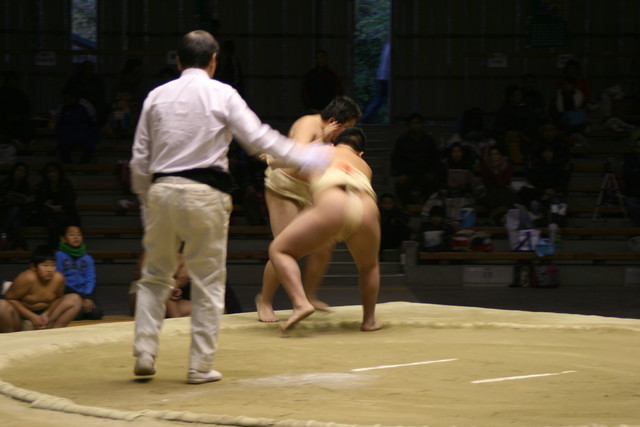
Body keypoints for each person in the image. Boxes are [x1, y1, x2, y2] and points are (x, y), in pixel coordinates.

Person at [129, 30, 333, 385]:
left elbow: (139, 160)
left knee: (155, 276)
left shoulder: (155, 97)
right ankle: (198, 367)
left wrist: (148, 204)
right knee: (207, 281)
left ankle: (145, 351)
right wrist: (305, 155)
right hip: (205, 193)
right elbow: (258, 139)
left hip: (162, 190)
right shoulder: (221, 93)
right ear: (213, 61)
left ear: (178, 61)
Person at [256, 95, 362, 323]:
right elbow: (293, 157)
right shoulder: (308, 124)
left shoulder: (333, 137)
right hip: (284, 187)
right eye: (346, 127)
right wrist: (321, 140)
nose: (346, 133)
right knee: (285, 247)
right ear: (333, 121)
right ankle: (264, 300)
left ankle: (310, 295)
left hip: (309, 190)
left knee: (325, 244)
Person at [269, 127, 383, 332]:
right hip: (367, 207)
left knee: (279, 250)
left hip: (333, 202)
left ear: (335, 143)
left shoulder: (322, 151)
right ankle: (369, 320)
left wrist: (270, 158)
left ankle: (301, 303)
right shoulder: (365, 166)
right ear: (360, 153)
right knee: (369, 266)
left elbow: (279, 163)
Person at [0, 245, 81, 333]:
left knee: (75, 299)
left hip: (45, 319)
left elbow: (59, 298)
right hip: (22, 320)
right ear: (33, 267)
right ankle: (10, 338)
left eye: (53, 265)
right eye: (45, 265)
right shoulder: (27, 278)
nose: (50, 270)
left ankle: (54, 333)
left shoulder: (58, 278)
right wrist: (32, 316)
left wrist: (46, 314)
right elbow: (10, 298)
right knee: (2, 305)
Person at [390, 112, 444, 207]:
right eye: (412, 123)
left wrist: (432, 172)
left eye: (417, 123)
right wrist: (400, 173)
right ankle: (408, 208)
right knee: (401, 186)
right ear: (409, 125)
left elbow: (435, 158)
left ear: (421, 124)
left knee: (433, 184)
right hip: (408, 174)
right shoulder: (402, 140)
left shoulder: (429, 140)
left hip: (425, 173)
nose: (415, 126)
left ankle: (427, 208)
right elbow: (396, 158)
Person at [55, 224, 104, 320]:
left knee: (97, 312)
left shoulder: (87, 258)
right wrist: (78, 298)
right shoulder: (58, 256)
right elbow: (59, 279)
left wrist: (88, 297)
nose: (76, 237)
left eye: (79, 234)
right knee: (77, 313)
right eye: (71, 234)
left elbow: (91, 279)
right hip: (67, 293)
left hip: (84, 293)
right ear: (63, 239)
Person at [34, 161, 80, 249]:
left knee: (60, 220)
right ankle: (58, 247)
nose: (51, 174)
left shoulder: (66, 185)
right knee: (54, 221)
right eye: (49, 172)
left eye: (54, 171)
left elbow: (71, 200)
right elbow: (38, 203)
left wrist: (61, 207)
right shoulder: (42, 186)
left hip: (64, 213)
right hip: (48, 214)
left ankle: (57, 247)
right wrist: (45, 204)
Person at [0, 161, 32, 250]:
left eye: (23, 171)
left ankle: (3, 240)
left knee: (15, 212)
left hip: (20, 214)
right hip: (4, 213)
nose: (20, 173)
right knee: (14, 221)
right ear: (14, 171)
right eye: (18, 170)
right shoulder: (5, 183)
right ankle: (18, 244)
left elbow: (29, 202)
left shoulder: (26, 186)